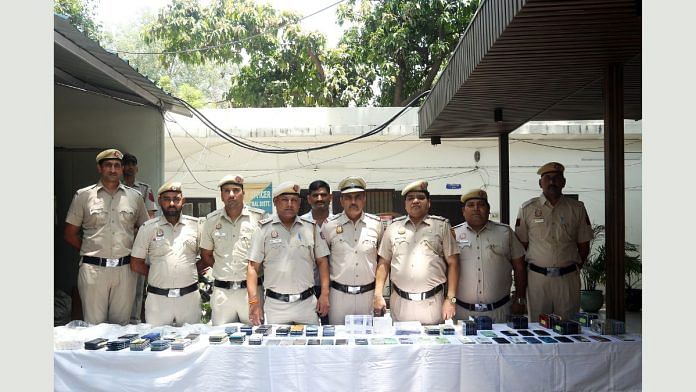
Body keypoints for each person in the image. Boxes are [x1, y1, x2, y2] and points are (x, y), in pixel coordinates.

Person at [63, 149, 149, 325]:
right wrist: (90, 249)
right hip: (94, 270)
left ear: (122, 169)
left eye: (117, 165)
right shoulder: (84, 196)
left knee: (121, 328)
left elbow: (146, 230)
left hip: (125, 270)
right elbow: (69, 234)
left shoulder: (135, 197)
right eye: (108, 165)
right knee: (94, 327)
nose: (113, 169)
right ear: (99, 168)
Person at [515, 162, 594, 320]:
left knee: (568, 326)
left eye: (557, 178)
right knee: (538, 327)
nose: (552, 182)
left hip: (567, 279)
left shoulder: (577, 208)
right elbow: (520, 248)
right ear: (540, 183)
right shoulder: (527, 209)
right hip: (538, 279)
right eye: (548, 178)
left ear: (563, 182)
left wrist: (573, 268)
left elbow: (584, 245)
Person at [374, 180, 460, 325]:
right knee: (401, 346)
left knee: (433, 346)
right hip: (401, 304)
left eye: (420, 197)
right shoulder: (393, 228)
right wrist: (378, 294)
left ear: (429, 203)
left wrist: (451, 299)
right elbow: (384, 263)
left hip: (432, 304)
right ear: (405, 204)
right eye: (410, 198)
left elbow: (454, 263)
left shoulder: (442, 226)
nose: (415, 201)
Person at [246, 182, 330, 326]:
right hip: (276, 306)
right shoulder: (263, 229)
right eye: (285, 200)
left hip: (306, 304)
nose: (290, 204)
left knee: (311, 345)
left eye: (294, 200)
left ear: (299, 203)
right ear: (275, 202)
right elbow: (252, 268)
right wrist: (254, 302)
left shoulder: (310, 228)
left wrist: (324, 294)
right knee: (275, 347)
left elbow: (322, 262)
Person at [130, 182, 203, 326]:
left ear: (183, 201)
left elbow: (206, 257)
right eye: (166, 199)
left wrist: (190, 270)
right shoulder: (148, 228)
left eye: (176, 199)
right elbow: (135, 263)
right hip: (158, 299)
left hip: (189, 298)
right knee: (157, 343)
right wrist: (157, 273)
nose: (171, 203)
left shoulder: (196, 226)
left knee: (192, 342)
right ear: (159, 201)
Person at [199, 175, 266, 325]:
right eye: (226, 191)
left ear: (243, 193)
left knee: (254, 339)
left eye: (236, 190)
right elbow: (206, 255)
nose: (231, 195)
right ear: (221, 196)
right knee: (219, 340)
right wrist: (224, 268)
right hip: (222, 293)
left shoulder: (259, 219)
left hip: (251, 293)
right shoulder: (211, 221)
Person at [453, 189, 527, 323]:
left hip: (499, 311)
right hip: (462, 312)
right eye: (471, 205)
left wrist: (520, 298)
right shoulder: (453, 234)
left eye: (481, 205)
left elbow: (520, 267)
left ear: (488, 210)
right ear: (463, 211)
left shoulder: (505, 233)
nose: (476, 209)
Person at [321, 176, 384, 325]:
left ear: (364, 199)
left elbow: (382, 260)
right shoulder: (330, 226)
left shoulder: (376, 225)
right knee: (338, 342)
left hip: (368, 297)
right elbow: (323, 261)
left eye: (358, 197)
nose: (353, 202)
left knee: (367, 342)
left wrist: (378, 294)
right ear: (341, 201)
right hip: (338, 297)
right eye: (348, 198)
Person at [121, 152, 157, 324]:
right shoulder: (115, 188)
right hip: (118, 247)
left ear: (137, 168)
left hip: (138, 246)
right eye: (125, 164)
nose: (128, 167)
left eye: (131, 164)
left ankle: (134, 321)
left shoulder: (144, 189)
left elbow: (149, 219)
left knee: (137, 288)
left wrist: (133, 227)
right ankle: (118, 323)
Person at [300, 180, 335, 324]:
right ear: (309, 199)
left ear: (330, 197)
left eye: (323, 195)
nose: (319, 199)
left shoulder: (338, 223)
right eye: (315, 195)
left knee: (330, 329)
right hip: (307, 289)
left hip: (334, 289)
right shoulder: (300, 224)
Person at [121, 153, 157, 219]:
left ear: (137, 169)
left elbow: (151, 213)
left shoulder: (145, 189)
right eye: (127, 164)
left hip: (141, 227)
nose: (130, 167)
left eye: (133, 164)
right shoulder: (117, 188)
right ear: (122, 168)